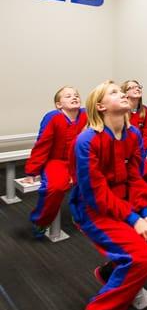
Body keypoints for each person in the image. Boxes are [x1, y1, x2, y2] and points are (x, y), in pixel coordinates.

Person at [70, 81, 147, 310]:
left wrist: (144, 212)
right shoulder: (87, 141)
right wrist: (135, 219)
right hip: (95, 210)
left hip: (130, 202)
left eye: (121, 92)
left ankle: (114, 273)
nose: (122, 94)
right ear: (100, 106)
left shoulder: (133, 135)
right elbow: (95, 194)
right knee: (142, 258)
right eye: (114, 93)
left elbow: (136, 178)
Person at [24, 86, 87, 238]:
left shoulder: (86, 114)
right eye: (68, 96)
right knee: (55, 187)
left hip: (79, 160)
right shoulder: (53, 117)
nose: (74, 97)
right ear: (59, 104)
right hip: (56, 161)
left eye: (76, 95)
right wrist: (32, 171)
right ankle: (41, 220)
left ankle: (81, 218)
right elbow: (42, 145)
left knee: (89, 185)